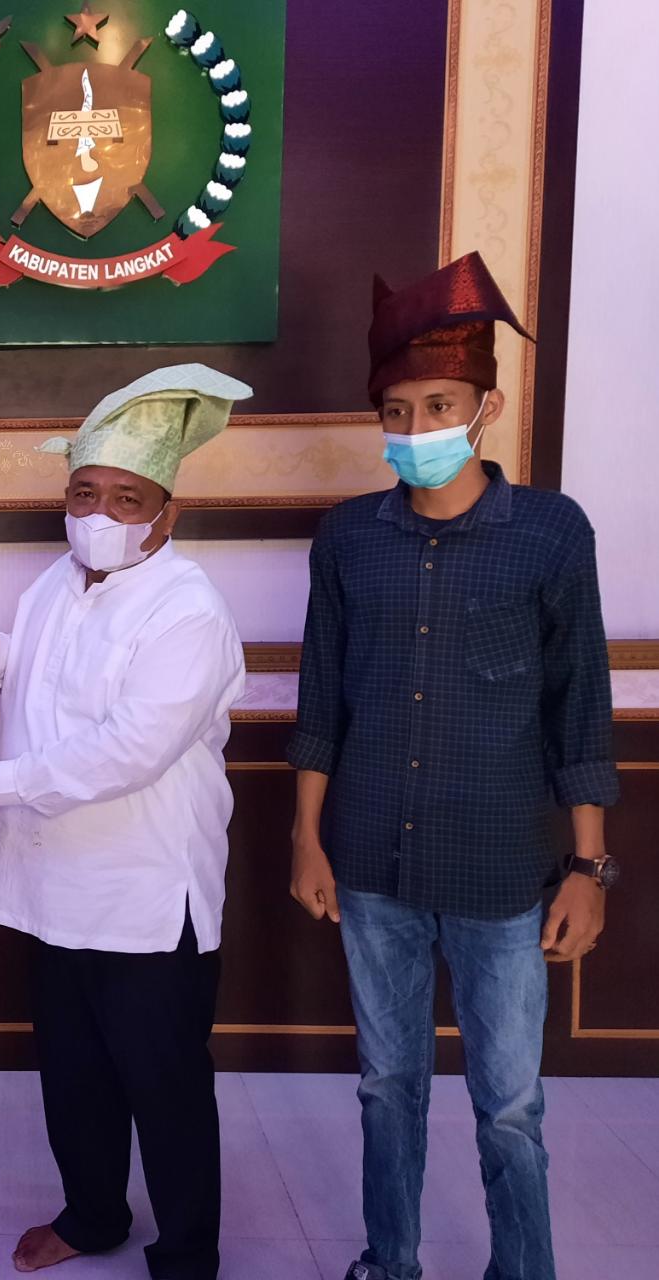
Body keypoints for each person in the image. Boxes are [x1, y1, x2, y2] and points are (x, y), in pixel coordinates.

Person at [287, 252, 619, 1280]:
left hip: (501, 873)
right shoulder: (348, 538)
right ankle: (390, 1260)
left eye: (438, 405)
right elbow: (321, 699)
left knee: (509, 1103)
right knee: (387, 1084)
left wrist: (588, 869)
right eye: (396, 411)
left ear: (487, 409)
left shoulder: (550, 533)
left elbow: (579, 708)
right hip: (370, 863)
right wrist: (305, 837)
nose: (416, 427)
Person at [0, 365, 250, 1279]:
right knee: (74, 1072)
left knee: (164, 1086)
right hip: (52, 882)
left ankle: (186, 1255)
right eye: (84, 492)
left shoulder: (189, 610)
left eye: (126, 498)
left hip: (144, 894)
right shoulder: (54, 584)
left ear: (166, 514)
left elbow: (128, 746)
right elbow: (57, 680)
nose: (100, 513)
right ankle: (93, 1215)